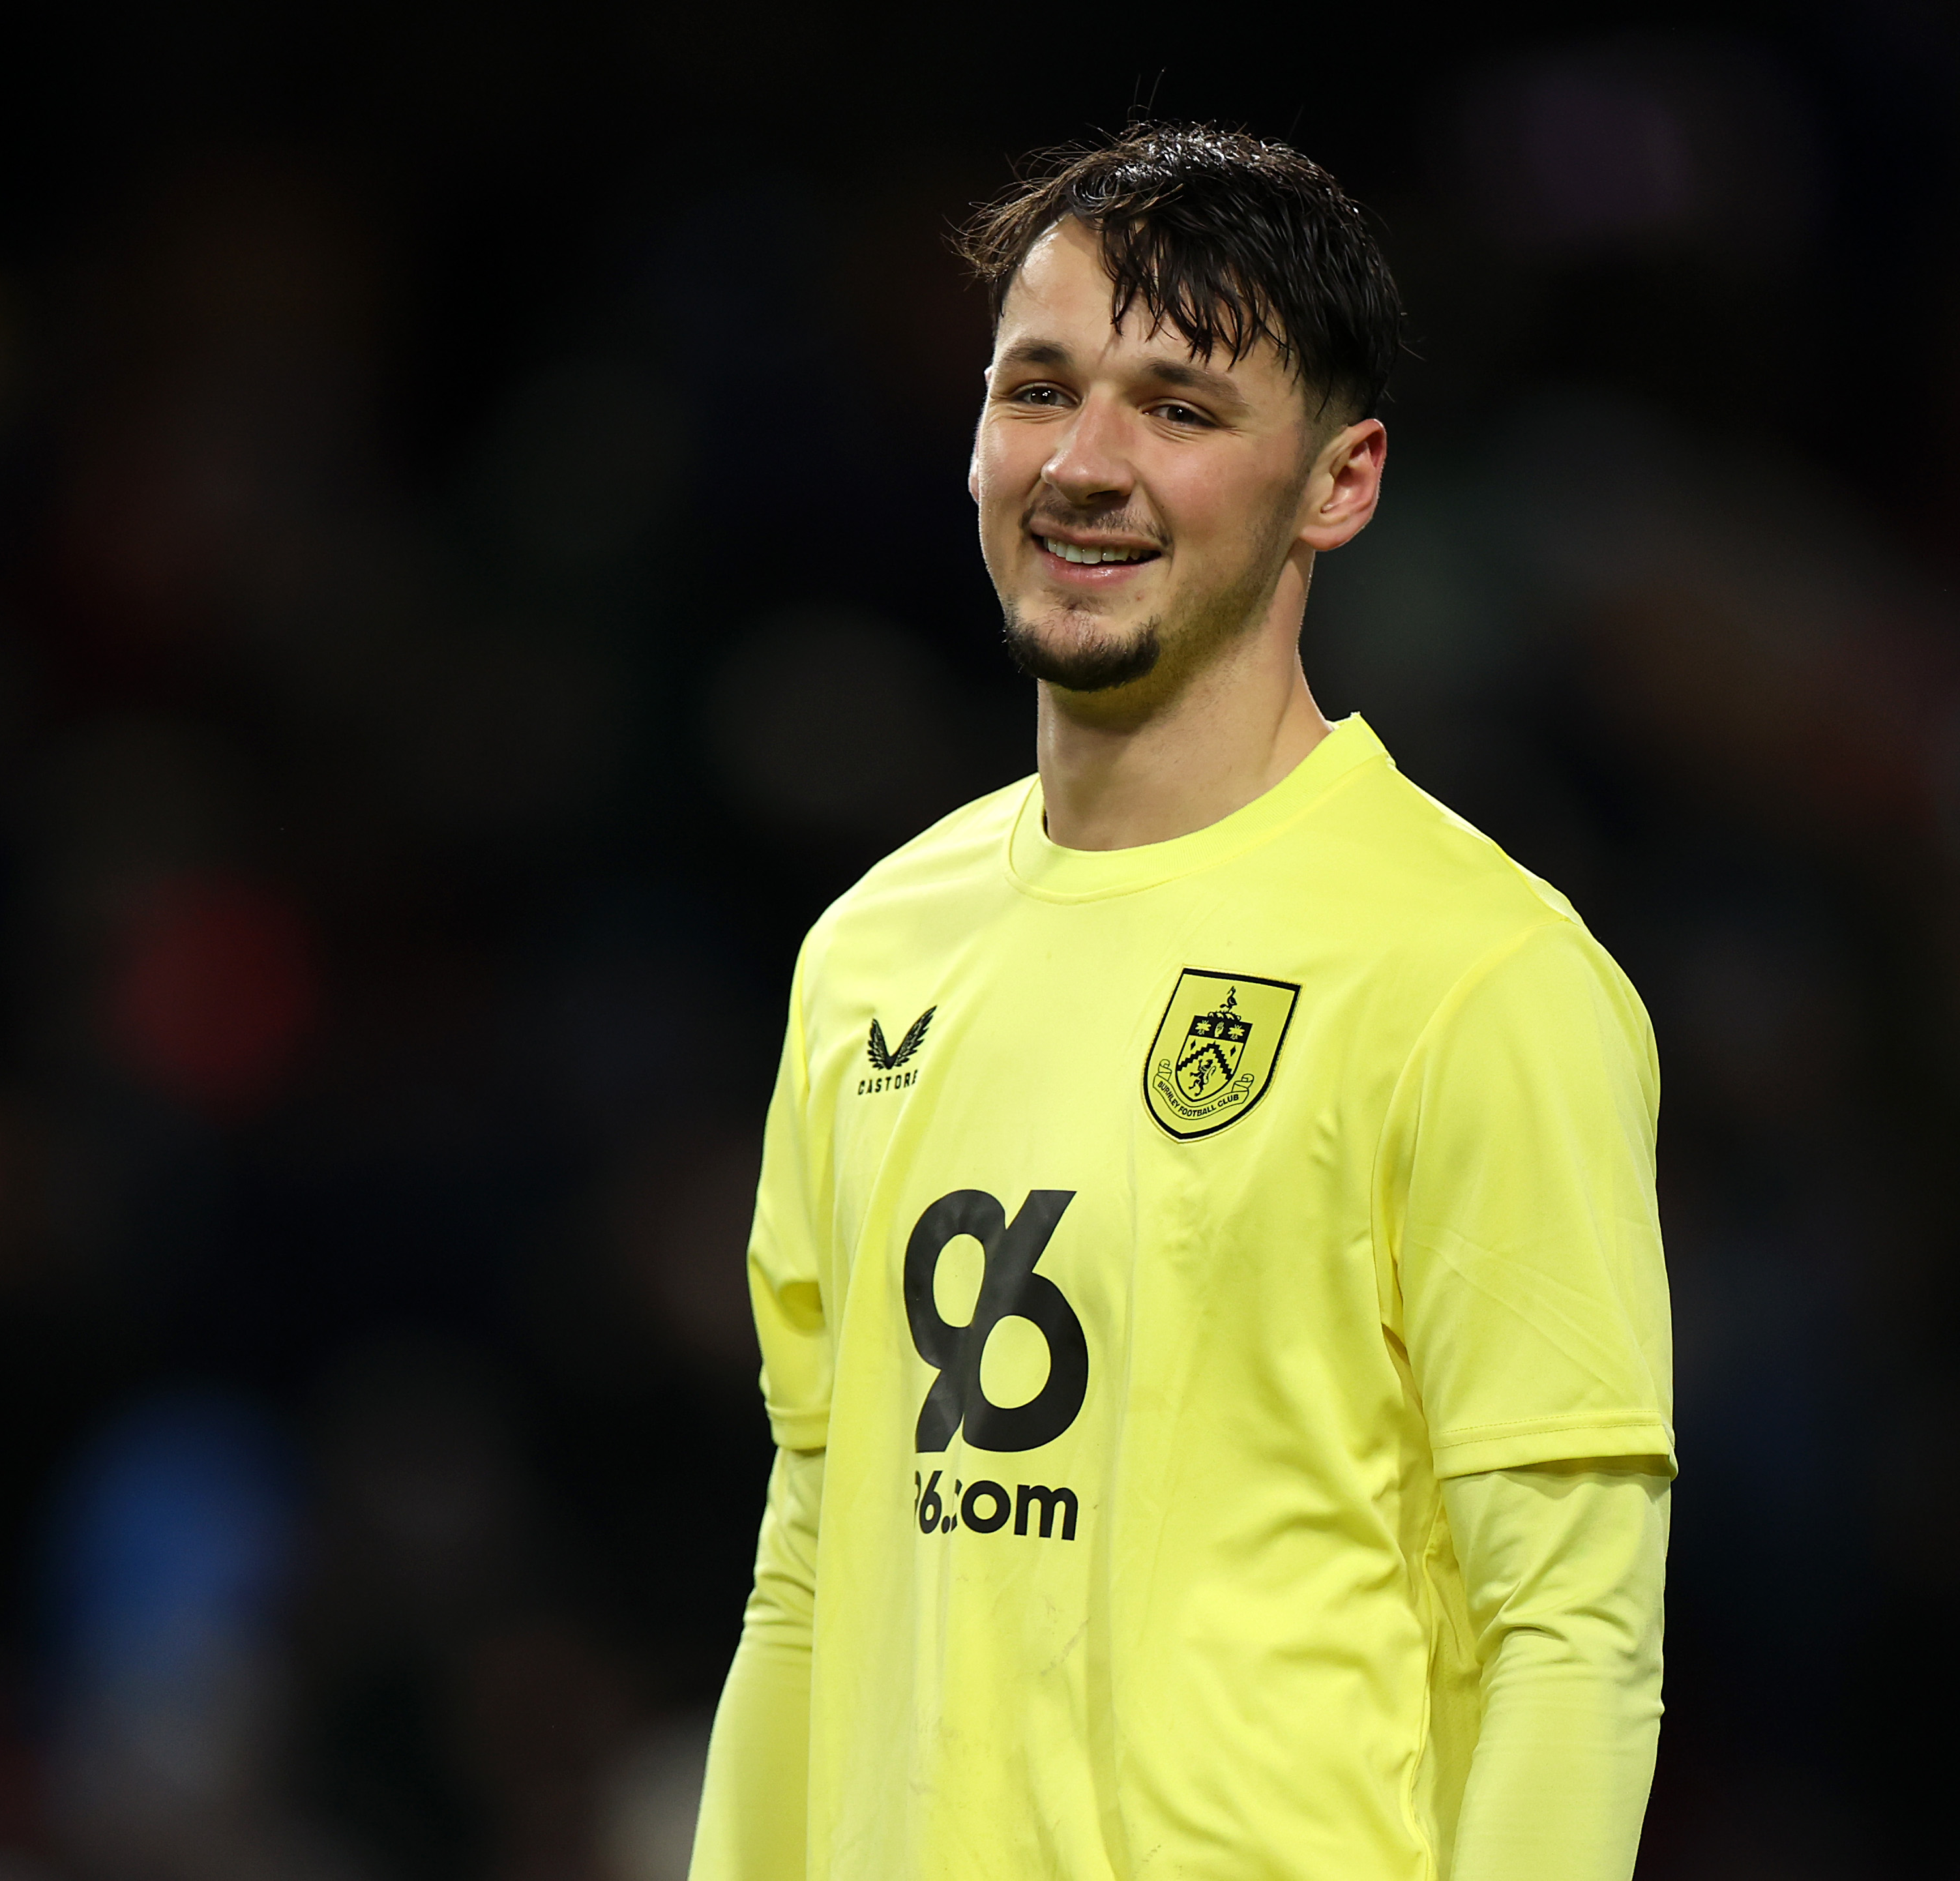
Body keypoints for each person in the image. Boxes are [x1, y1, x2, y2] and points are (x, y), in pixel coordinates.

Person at [687, 125, 1672, 1881]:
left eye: (1181, 408)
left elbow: (1572, 1642)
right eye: (1037, 389)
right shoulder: (869, 953)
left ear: (1342, 483)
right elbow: (811, 1566)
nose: (1082, 463)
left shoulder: (1482, 979)